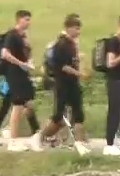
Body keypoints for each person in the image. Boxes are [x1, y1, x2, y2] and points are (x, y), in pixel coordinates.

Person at [38, 15, 90, 155]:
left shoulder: (72, 44)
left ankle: (80, 143)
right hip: (62, 84)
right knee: (58, 117)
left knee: (78, 113)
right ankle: (40, 137)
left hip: (73, 84)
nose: (78, 32)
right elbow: (63, 66)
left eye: (79, 29)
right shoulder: (61, 45)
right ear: (68, 28)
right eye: (76, 28)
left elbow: (74, 62)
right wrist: (79, 74)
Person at [1, 10, 43, 152]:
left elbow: (26, 53)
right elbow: (5, 54)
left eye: (29, 19)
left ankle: (30, 133)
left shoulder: (23, 36)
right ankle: (12, 141)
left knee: (29, 103)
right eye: (26, 19)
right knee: (18, 105)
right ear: (18, 20)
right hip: (15, 73)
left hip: (24, 73)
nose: (28, 22)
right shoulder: (12, 35)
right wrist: (20, 63)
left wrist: (29, 63)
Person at [102, 17, 120, 156]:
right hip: (115, 81)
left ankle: (118, 138)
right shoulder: (113, 42)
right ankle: (109, 144)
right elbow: (110, 63)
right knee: (114, 111)